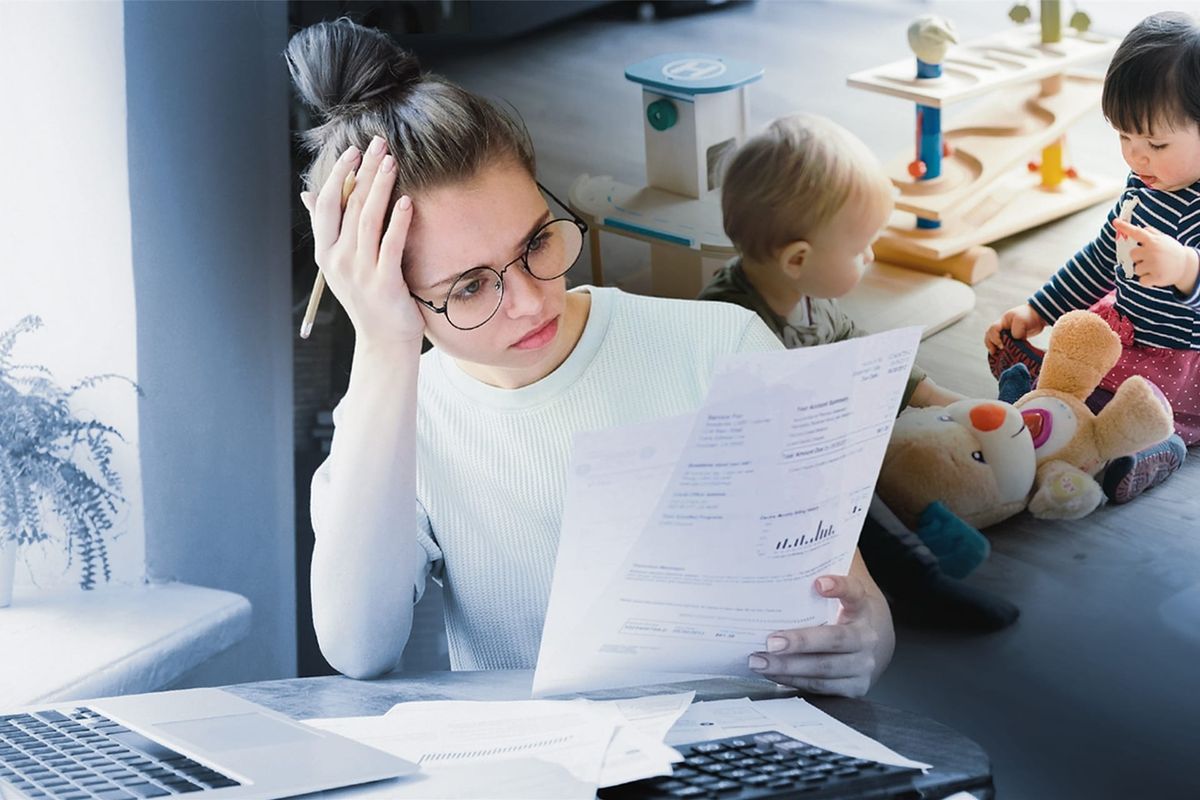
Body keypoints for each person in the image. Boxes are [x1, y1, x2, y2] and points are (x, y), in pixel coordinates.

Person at [287, 18, 894, 697]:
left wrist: (869, 636)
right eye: (469, 286)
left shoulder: (723, 349)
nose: (528, 301)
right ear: (390, 294)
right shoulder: (396, 418)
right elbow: (358, 649)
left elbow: (849, 601)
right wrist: (382, 346)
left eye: (536, 243)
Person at [699, 113, 1018, 632]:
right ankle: (919, 582)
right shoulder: (731, 322)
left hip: (810, 444)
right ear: (798, 259)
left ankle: (934, 522)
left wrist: (946, 401)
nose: (870, 257)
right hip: (756, 489)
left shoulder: (807, 299)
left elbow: (865, 354)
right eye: (859, 248)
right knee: (849, 489)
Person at [986, 11, 1199, 503]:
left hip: (1181, 363)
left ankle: (1151, 453)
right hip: (1124, 330)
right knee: (1081, 352)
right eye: (1124, 137)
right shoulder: (1142, 187)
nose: (1136, 157)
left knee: (1145, 409)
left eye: (1156, 143)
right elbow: (1103, 255)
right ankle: (1039, 395)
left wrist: (1186, 269)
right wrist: (1039, 309)